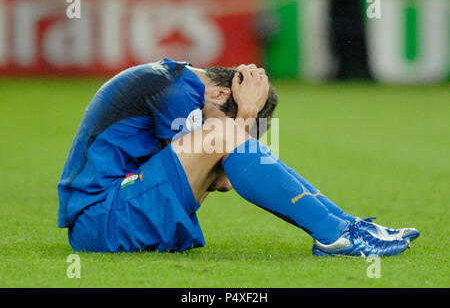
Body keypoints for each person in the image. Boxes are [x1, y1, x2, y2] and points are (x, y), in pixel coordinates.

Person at [57, 58, 419, 256]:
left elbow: (221, 176)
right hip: (101, 221)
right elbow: (221, 170)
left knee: (222, 135)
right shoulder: (177, 89)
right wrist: (244, 116)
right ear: (218, 91)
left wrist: (240, 122)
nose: (239, 141)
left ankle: (346, 227)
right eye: (237, 118)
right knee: (220, 134)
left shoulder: (179, 84)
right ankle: (335, 236)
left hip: (114, 211)